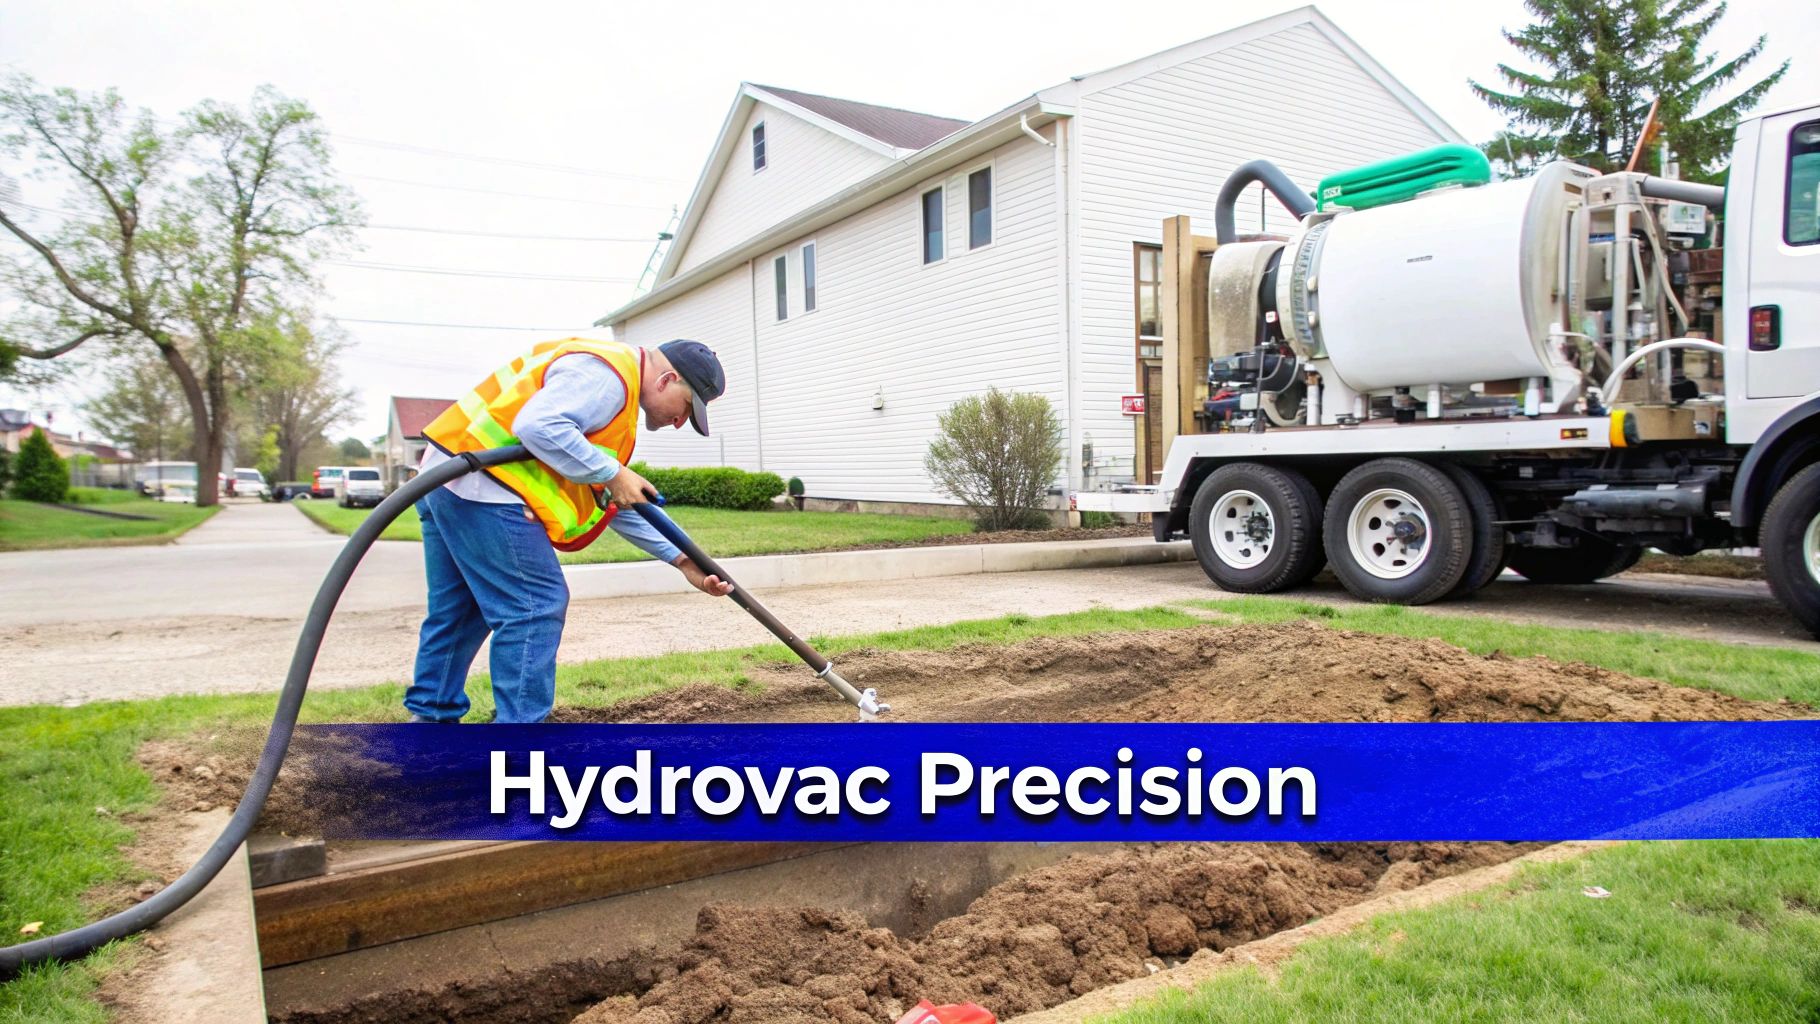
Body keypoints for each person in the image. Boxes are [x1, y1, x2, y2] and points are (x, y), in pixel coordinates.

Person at [407, 337, 733, 724]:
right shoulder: (608, 377)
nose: (680, 422)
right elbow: (537, 425)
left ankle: (430, 729)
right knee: (534, 606)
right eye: (686, 408)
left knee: (460, 610)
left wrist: (681, 558)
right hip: (484, 487)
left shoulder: (611, 388)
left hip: (445, 483)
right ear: (666, 380)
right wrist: (612, 472)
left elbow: (610, 499)